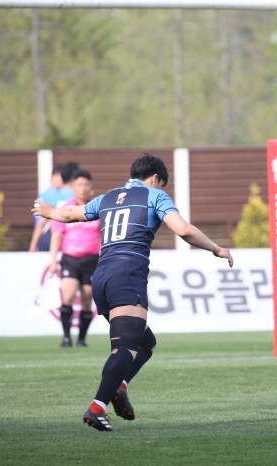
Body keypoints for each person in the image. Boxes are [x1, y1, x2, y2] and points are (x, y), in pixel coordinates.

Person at [33, 153, 233, 432]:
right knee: (125, 348)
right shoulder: (155, 195)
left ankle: (120, 386)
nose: (160, 188)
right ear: (155, 178)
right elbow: (184, 231)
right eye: (161, 184)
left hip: (102, 276)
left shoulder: (107, 197)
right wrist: (216, 248)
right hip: (126, 275)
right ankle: (97, 407)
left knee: (145, 343)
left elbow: (70, 214)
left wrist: (51, 212)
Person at [49, 169, 101, 348]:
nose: (83, 188)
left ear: (91, 186)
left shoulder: (97, 208)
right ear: (73, 187)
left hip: (92, 261)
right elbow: (56, 235)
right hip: (70, 260)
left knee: (87, 300)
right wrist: (53, 260)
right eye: (79, 184)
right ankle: (66, 338)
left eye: (86, 184)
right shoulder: (65, 209)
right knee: (68, 296)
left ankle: (81, 339)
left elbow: (104, 235)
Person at [29, 161, 78, 252]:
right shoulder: (52, 194)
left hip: (50, 236)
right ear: (53, 176)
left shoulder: (47, 193)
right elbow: (42, 222)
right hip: (56, 235)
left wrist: (33, 244)